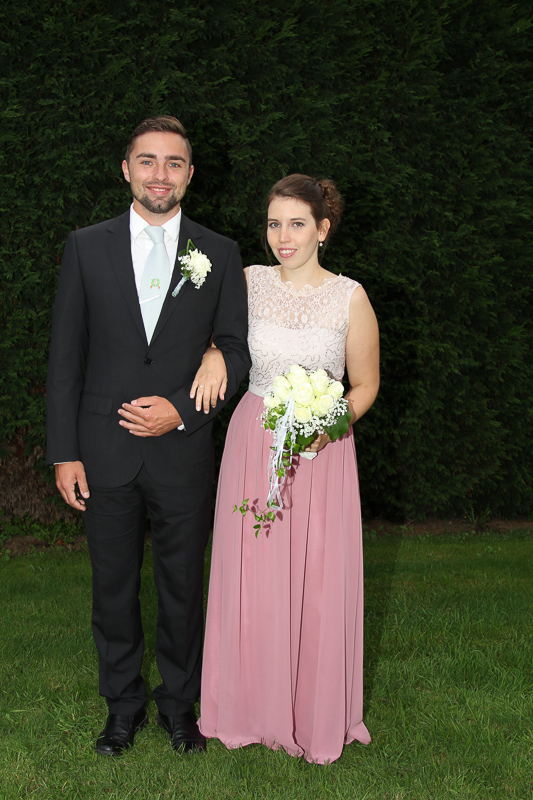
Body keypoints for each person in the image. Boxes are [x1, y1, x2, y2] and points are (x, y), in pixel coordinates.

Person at [46, 116, 250, 756]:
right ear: (126, 169)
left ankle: (179, 704)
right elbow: (65, 359)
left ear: (189, 174)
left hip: (181, 451)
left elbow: (237, 352)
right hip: (103, 450)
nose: (160, 174)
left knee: (183, 587)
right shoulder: (86, 246)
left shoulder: (219, 252)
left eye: (173, 163)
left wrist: (183, 411)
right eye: (147, 161)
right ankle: (122, 705)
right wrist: (64, 452)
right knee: (112, 588)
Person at [198, 174, 380, 764]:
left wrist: (328, 424)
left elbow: (365, 384)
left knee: (316, 575)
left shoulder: (350, 297)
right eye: (274, 223)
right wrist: (211, 351)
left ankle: (311, 710)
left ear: (323, 229)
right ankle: (247, 706)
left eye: (297, 224)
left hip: (320, 449)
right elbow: (215, 338)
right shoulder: (247, 282)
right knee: (251, 571)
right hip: (253, 439)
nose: (283, 236)